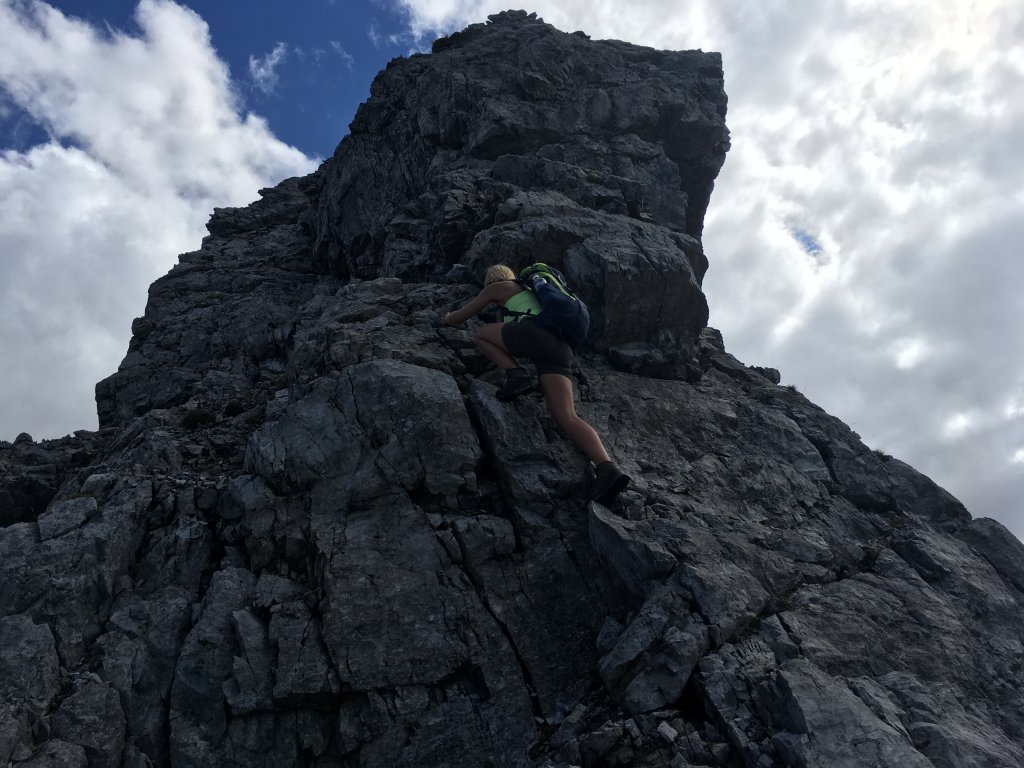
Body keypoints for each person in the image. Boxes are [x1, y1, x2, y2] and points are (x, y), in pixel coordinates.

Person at [442, 264, 630, 505]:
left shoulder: (499, 287)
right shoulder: (533, 293)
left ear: (491, 280)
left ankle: (517, 375)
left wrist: (447, 318)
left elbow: (460, 318)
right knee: (566, 416)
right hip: (561, 348)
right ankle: (607, 468)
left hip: (535, 335)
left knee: (481, 334)